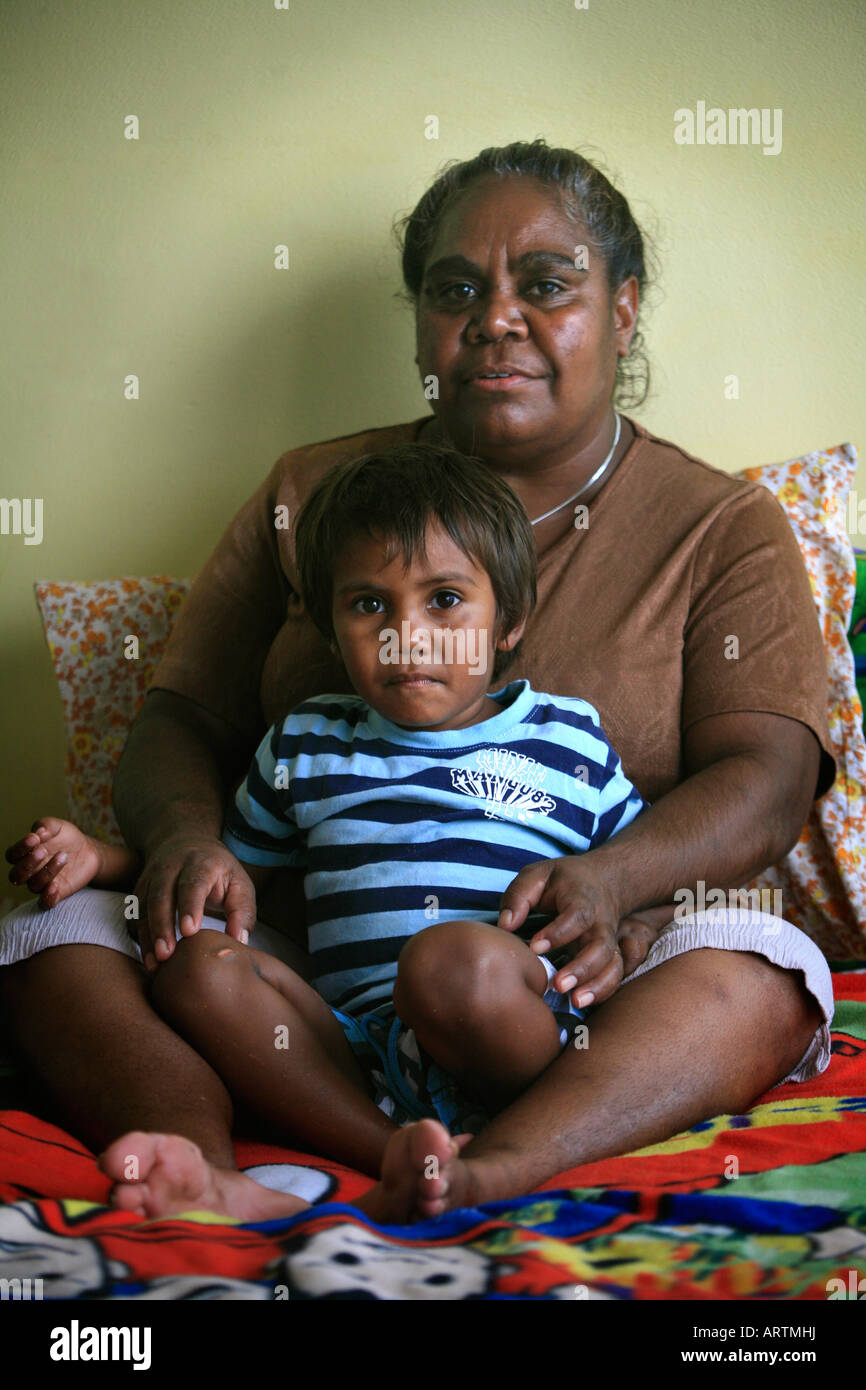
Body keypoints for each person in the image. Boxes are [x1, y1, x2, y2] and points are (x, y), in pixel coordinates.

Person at [1, 138, 835, 1226]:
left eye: (545, 284)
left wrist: (612, 882)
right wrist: (179, 847)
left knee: (762, 958)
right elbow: (179, 719)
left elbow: (768, 775)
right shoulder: (311, 492)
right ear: (420, 326)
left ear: (622, 313)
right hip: (312, 976)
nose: (493, 317)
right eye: (454, 290)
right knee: (46, 937)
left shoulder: (717, 526)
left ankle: (497, 1164)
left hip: (579, 979)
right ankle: (199, 1164)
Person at [7, 443, 655, 1210]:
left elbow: (636, 879)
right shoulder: (306, 742)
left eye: (444, 600)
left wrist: (639, 928)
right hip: (352, 1051)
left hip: (510, 1033)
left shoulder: (568, 740)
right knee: (196, 964)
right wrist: (103, 860)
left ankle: (501, 1143)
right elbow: (222, 884)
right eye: (369, 604)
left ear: (508, 620)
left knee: (454, 966)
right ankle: (389, 1157)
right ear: (329, 626)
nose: (405, 634)